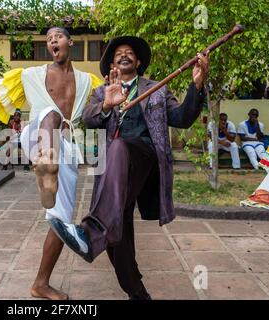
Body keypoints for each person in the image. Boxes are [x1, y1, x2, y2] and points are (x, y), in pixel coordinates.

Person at [0, 27, 102, 300]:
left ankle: (40, 284)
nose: (52, 41)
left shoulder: (88, 81)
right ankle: (45, 164)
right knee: (50, 113)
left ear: (69, 42)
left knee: (61, 222)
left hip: (68, 150)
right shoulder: (30, 75)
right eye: (48, 39)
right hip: (37, 135)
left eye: (57, 37)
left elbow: (109, 102)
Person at [49, 36, 209, 299]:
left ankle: (89, 233)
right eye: (118, 53)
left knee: (122, 147)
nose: (124, 55)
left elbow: (182, 118)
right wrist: (106, 105)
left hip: (145, 161)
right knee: (116, 232)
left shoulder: (157, 88)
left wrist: (197, 85)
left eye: (130, 53)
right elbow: (89, 120)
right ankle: (137, 292)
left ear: (138, 61)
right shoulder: (102, 91)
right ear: (112, 63)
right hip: (113, 173)